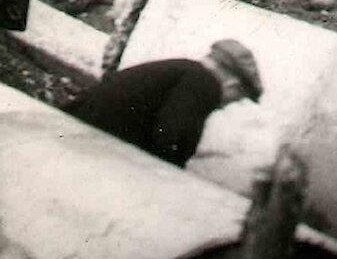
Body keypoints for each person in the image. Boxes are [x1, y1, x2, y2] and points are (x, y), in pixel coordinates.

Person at [64, 39, 263, 167]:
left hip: (75, 130)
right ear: (233, 84)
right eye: (236, 99)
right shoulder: (205, 82)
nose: (225, 105)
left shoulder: (184, 71)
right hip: (83, 146)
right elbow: (170, 141)